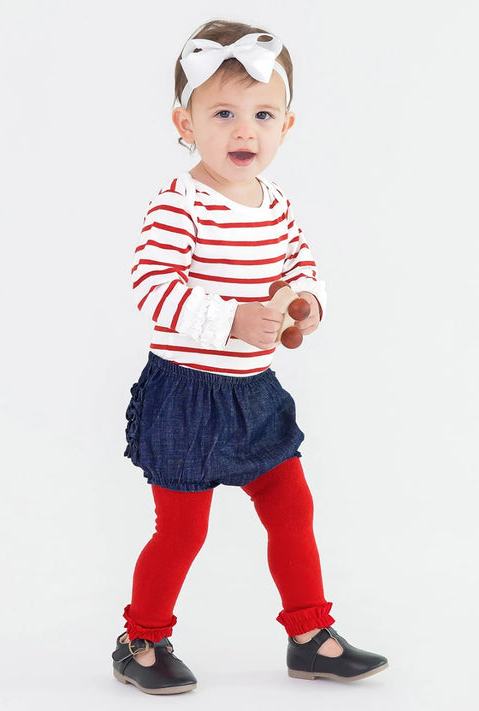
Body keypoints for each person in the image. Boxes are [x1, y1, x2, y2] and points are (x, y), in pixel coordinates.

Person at [111, 19, 388, 695]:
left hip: (253, 393)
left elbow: (300, 264)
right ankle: (140, 639)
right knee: (182, 531)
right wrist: (231, 317)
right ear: (185, 123)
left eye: (262, 115)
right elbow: (153, 285)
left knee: (291, 509)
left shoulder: (276, 205)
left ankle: (309, 634)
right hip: (187, 393)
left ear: (286, 126)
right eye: (224, 114)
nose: (245, 131)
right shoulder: (179, 205)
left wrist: (307, 303)